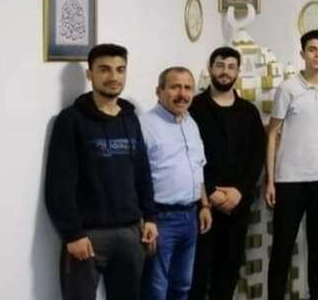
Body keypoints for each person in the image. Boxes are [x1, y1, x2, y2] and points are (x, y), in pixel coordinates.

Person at [45, 43, 158, 300]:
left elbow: (142, 172)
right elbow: (60, 183)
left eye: (120, 69)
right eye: (104, 69)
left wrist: (150, 216)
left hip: (130, 234)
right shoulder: (71, 120)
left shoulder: (130, 119)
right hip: (87, 236)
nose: (113, 76)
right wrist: (73, 233)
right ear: (90, 74)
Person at [188, 47, 267, 300]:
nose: (225, 71)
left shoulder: (248, 111)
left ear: (238, 72)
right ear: (210, 68)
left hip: (237, 204)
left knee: (228, 271)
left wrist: (240, 191)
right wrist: (210, 192)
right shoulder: (194, 108)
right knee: (197, 273)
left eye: (231, 67)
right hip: (203, 205)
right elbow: (189, 154)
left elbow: (257, 155)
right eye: (220, 65)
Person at [265, 30, 318, 300]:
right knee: (282, 249)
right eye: (312, 49)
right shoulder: (288, 89)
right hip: (290, 181)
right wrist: (271, 181)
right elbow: (272, 134)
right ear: (302, 54)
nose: (317, 55)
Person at [139, 67, 213, 300]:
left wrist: (204, 205)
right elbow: (135, 178)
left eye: (187, 88)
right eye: (175, 87)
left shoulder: (191, 123)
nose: (182, 94)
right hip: (160, 219)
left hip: (190, 217)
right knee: (156, 289)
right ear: (159, 91)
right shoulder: (144, 125)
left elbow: (198, 168)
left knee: (182, 286)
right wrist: (145, 220)